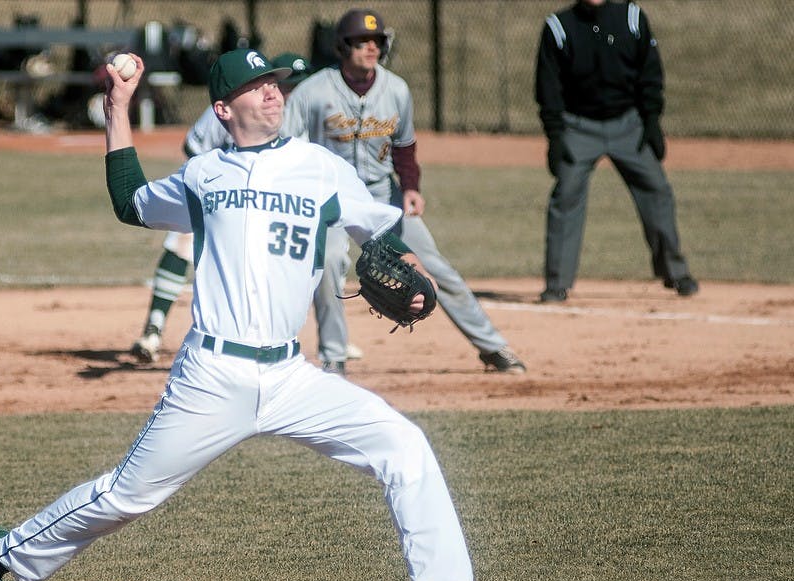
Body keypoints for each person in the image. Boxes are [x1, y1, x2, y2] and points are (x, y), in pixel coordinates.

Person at [0, 48, 525, 581]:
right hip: (212, 375)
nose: (273, 93)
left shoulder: (320, 166)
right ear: (223, 110)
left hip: (292, 377)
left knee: (404, 444)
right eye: (257, 87)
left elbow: (382, 234)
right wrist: (117, 109)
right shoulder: (204, 174)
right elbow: (131, 202)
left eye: (278, 85)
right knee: (130, 495)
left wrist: (410, 274)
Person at [283, 8, 527, 374]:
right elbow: (290, 149)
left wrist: (411, 188)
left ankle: (492, 346)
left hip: (384, 197)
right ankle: (334, 355)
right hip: (332, 202)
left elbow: (405, 146)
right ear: (341, 46)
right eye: (361, 42)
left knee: (435, 267)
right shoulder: (312, 92)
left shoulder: (396, 89)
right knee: (330, 262)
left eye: (377, 41)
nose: (371, 48)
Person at [128, 52, 365, 369]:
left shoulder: (307, 118)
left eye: (295, 84)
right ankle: (154, 329)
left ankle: (329, 340)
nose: (287, 92)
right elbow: (193, 149)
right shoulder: (229, 111)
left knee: (321, 256)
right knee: (181, 240)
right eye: (286, 84)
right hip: (224, 198)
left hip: (282, 210)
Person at [535, 0, 699, 302]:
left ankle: (676, 273)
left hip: (628, 124)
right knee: (566, 196)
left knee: (657, 189)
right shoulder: (559, 27)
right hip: (578, 126)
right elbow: (549, 87)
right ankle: (556, 283)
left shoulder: (632, 18)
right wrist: (556, 136)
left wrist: (651, 121)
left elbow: (650, 71)